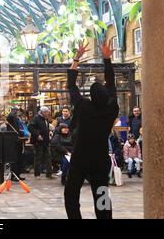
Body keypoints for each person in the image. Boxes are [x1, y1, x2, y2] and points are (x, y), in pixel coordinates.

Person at [65, 40, 119, 219]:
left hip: (80, 158)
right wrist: (107, 59)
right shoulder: (111, 109)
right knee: (102, 194)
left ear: (90, 96)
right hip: (100, 159)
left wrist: (77, 58)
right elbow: (112, 84)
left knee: (71, 194)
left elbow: (71, 85)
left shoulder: (83, 107)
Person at [29, 106, 53, 179]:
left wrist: (49, 132)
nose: (47, 114)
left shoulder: (45, 119)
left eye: (48, 112)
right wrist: (37, 135)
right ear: (42, 112)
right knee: (38, 158)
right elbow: (30, 127)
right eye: (46, 112)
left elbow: (45, 128)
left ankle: (49, 174)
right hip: (38, 141)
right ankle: (37, 174)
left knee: (48, 157)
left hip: (46, 141)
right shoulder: (36, 118)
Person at [6, 106, 26, 181]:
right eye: (17, 111)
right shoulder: (12, 117)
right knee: (14, 158)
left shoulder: (18, 119)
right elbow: (9, 116)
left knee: (19, 158)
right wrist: (14, 111)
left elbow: (21, 128)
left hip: (19, 139)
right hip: (13, 140)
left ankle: (17, 174)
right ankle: (13, 175)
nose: (18, 113)